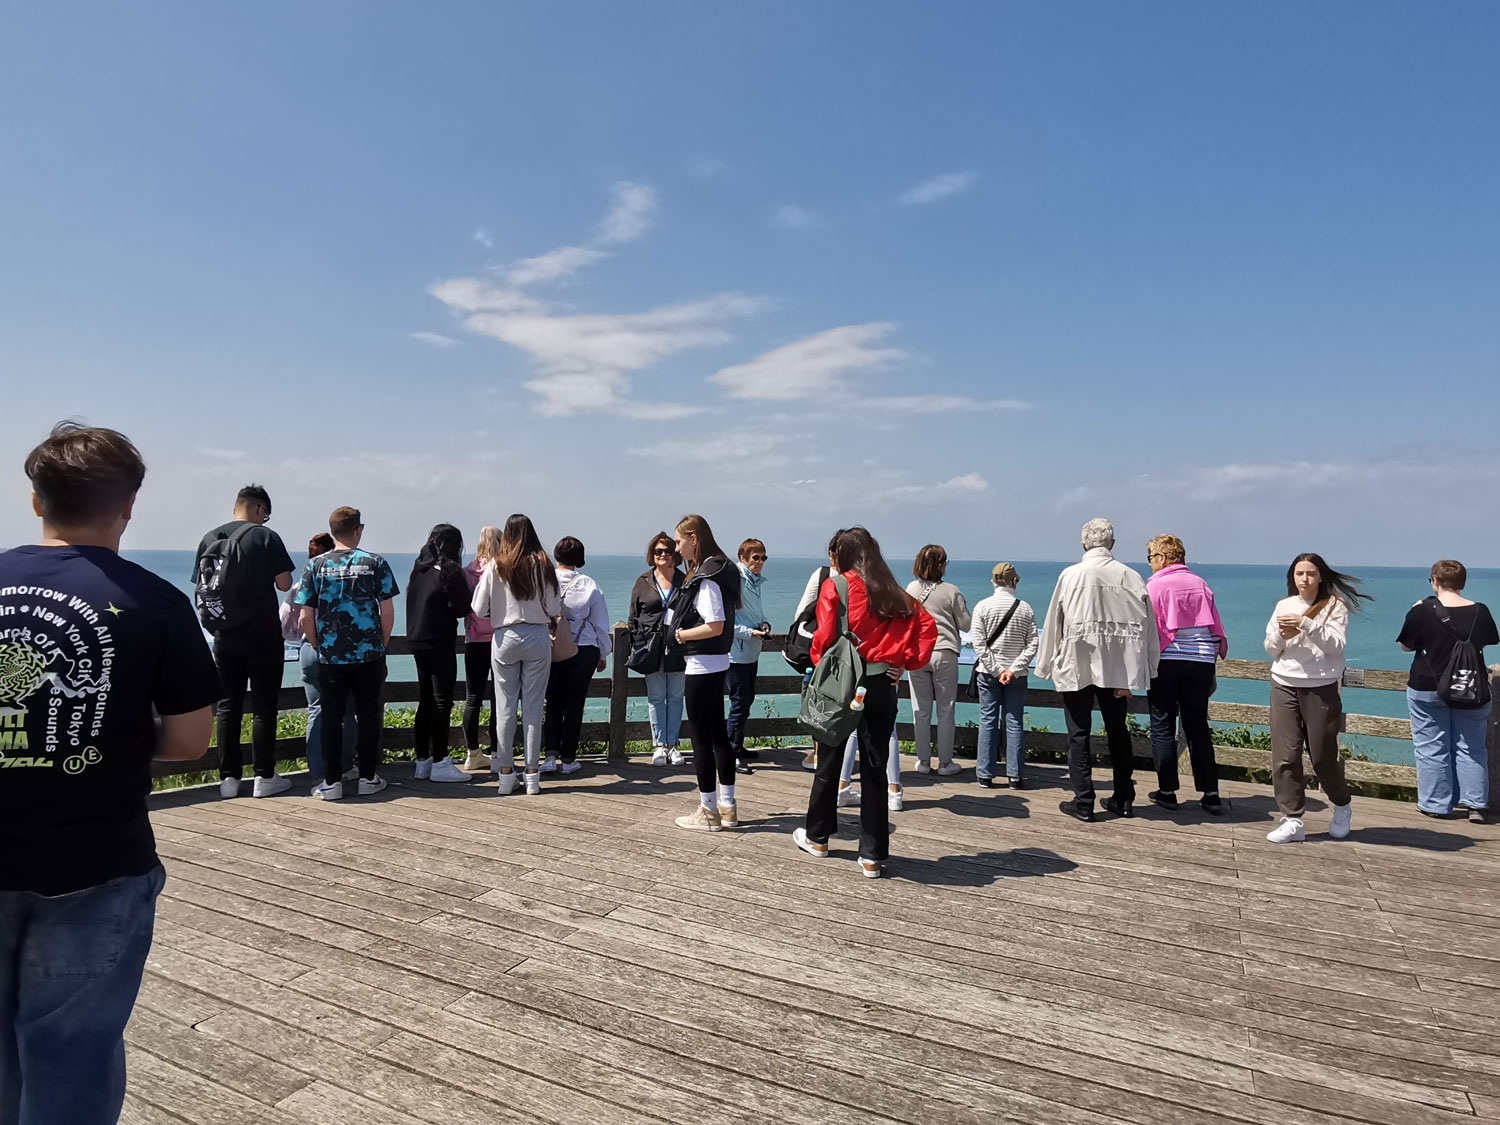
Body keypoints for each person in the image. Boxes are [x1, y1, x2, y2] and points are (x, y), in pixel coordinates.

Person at [1, 422, 220, 1124]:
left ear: (36, 501)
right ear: (129, 505)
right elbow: (190, 740)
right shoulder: (156, 602)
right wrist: (112, 735)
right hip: (96, 861)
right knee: (74, 1047)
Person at [793, 527, 937, 878]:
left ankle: (819, 838)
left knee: (829, 758)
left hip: (844, 685)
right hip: (882, 684)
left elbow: (824, 639)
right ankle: (872, 855)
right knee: (875, 765)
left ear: (842, 554)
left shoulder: (837, 585)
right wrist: (904, 661)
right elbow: (926, 626)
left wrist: (820, 664)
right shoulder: (890, 588)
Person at [1036, 518, 1160, 823]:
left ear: (1083, 544)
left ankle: (1084, 801)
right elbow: (1148, 631)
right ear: (1112, 544)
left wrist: (1046, 664)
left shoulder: (1071, 576)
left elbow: (1054, 624)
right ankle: (1124, 798)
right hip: (1119, 669)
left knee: (1078, 733)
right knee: (1118, 731)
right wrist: (1145, 670)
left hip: (1077, 663)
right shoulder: (1132, 577)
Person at [193, 484, 296, 799]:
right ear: (260, 510)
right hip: (263, 637)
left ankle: (228, 780)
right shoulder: (265, 537)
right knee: (264, 708)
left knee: (227, 708)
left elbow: (202, 584)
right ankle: (264, 777)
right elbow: (285, 583)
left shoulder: (209, 539)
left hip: (223, 638)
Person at [295, 506, 400, 800]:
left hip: (331, 655)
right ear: (358, 530)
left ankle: (331, 782)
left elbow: (305, 616)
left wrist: (318, 644)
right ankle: (368, 777)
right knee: (367, 715)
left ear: (332, 532)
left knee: (331, 716)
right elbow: (387, 611)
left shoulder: (315, 566)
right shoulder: (375, 563)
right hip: (369, 654)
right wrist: (381, 643)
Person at [1263, 552, 1368, 843]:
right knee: (1285, 755)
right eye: (1299, 574)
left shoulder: (1335, 606)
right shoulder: (1284, 605)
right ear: (1292, 577)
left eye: (1310, 573)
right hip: (1283, 683)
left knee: (1322, 756)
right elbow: (1271, 648)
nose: (1304, 579)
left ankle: (1342, 805)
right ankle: (1292, 819)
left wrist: (1306, 624)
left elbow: (1336, 646)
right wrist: (1283, 635)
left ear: (1320, 576)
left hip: (1321, 687)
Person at [1397, 560, 1496, 824]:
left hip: (1427, 686)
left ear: (1435, 581)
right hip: (1470, 686)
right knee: (1472, 747)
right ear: (1462, 583)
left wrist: (1414, 612)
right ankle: (1475, 804)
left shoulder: (1421, 611)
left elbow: (1406, 647)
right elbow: (1486, 642)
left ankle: (1436, 804)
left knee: (1431, 747)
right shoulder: (1481, 611)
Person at [470, 514, 561, 796]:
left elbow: (478, 606)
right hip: (536, 635)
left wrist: (496, 612)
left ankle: (506, 774)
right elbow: (555, 606)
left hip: (504, 637)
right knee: (533, 708)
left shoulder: (496, 564)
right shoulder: (543, 563)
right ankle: (532, 775)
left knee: (505, 707)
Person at [666, 515, 744, 831]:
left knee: (701, 739)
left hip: (701, 666)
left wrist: (682, 636)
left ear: (694, 539)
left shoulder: (708, 577)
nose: (675, 547)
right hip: (718, 664)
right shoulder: (719, 570)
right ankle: (727, 807)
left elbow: (715, 626)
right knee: (718, 737)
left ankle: (708, 810)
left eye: (679, 540)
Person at [1144, 535, 1228, 815]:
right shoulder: (1200, 583)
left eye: (1151, 557)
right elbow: (1214, 627)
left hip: (1167, 661)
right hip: (1201, 661)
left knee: (1162, 725)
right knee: (1197, 726)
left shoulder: (1155, 585)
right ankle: (1211, 792)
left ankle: (1167, 791)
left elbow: (1149, 629)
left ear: (1163, 558)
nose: (1151, 563)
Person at [282, 532, 355, 787]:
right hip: (339, 651)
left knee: (316, 710)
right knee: (345, 712)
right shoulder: (340, 582)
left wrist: (308, 639)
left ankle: (317, 770)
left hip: (308, 651)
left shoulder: (298, 586)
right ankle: (344, 767)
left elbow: (287, 624)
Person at [406, 524, 473, 783]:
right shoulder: (449, 569)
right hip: (439, 640)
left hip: (416, 638)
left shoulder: (419, 568)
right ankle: (441, 762)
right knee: (442, 700)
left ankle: (422, 760)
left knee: (426, 700)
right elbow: (464, 606)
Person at [543, 536, 612, 775]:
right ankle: (569, 758)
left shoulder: (545, 581)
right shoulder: (589, 585)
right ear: (579, 559)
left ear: (556, 555)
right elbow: (601, 624)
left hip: (550, 647)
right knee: (574, 703)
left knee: (551, 702)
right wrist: (604, 653)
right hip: (583, 649)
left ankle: (549, 755)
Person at [971, 563, 1039, 790]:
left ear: (993, 580)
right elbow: (1032, 644)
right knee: (1014, 721)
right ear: (1014, 581)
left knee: (987, 720)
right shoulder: (1025, 609)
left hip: (988, 674)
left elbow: (979, 645)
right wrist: (1012, 669)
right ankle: (1015, 775)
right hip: (1016, 675)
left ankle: (984, 774)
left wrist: (996, 669)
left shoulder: (982, 607)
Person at [906, 544, 971, 776]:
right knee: (946, 710)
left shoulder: (911, 588)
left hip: (917, 654)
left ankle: (923, 762)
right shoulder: (952, 591)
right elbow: (966, 624)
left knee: (920, 711)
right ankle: (945, 763)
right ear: (940, 565)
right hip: (944, 652)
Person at [628, 533, 686, 767]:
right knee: (655, 697)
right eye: (657, 551)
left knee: (675, 697)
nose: (662, 555)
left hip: (679, 647)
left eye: (667, 551)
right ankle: (660, 745)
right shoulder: (643, 581)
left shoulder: (686, 580)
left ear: (676, 554)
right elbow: (633, 616)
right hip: (650, 648)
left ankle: (673, 744)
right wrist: (637, 644)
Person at [793, 539, 840, 772]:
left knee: (814, 701)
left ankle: (819, 753)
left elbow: (801, 613)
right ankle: (833, 754)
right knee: (837, 703)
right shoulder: (857, 579)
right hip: (842, 656)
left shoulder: (821, 575)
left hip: (816, 652)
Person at [727, 538, 772, 775]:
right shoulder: (736, 579)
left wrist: (763, 624)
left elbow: (752, 613)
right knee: (738, 704)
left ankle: (737, 747)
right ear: (743, 558)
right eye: (755, 557)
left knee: (746, 702)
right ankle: (730, 754)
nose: (761, 562)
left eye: (764, 557)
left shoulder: (754, 581)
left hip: (750, 652)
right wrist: (749, 632)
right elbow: (725, 621)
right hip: (736, 654)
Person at [460, 525, 501, 772]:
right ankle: (498, 753)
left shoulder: (468, 571)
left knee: (472, 698)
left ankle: (472, 752)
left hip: (474, 639)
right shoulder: (502, 569)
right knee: (500, 699)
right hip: (499, 639)